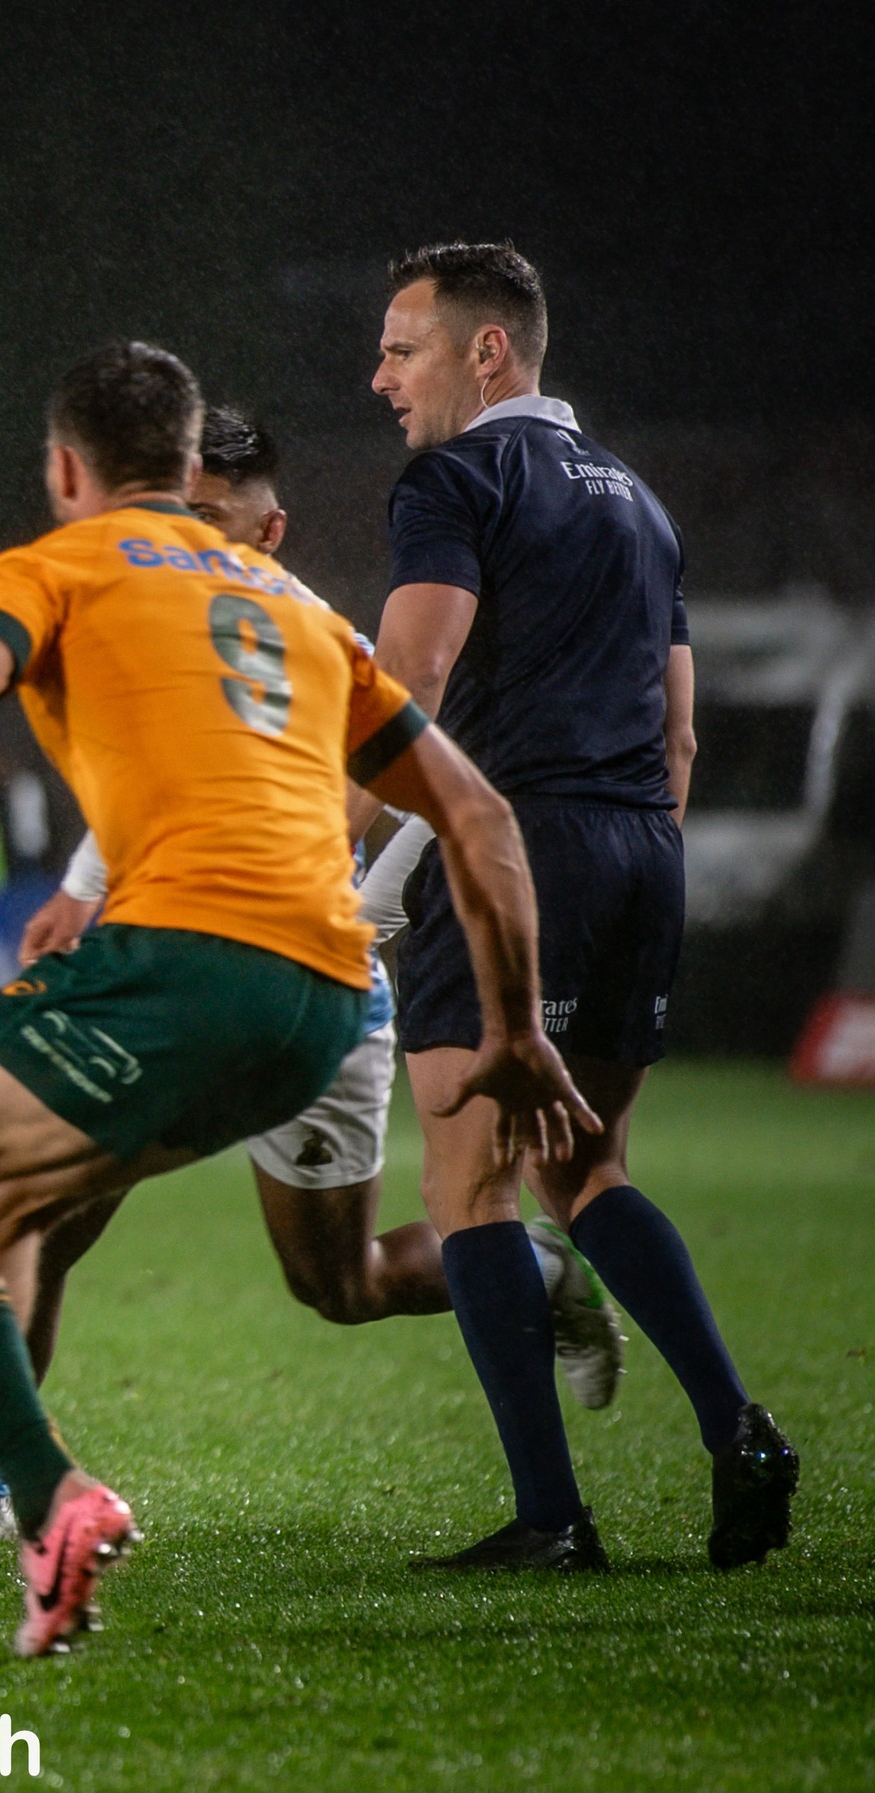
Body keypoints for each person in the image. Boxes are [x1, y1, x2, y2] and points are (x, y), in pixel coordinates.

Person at [0, 342, 595, 1655]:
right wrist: (515, 1030)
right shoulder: (300, 612)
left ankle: (28, 1504)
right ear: (184, 467)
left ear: (63, 469)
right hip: (332, 996)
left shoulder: (52, 568)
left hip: (182, 963)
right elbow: (482, 818)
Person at [0, 408, 622, 1547]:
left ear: (268, 526)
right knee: (39, 1197)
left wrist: (369, 900)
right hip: (168, 968)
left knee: (336, 1284)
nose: (176, 536)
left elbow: (436, 792)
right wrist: (85, 884)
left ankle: (531, 1272)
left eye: (203, 517)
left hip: (311, 982)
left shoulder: (316, 642)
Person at [368, 242, 796, 1571]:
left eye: (402, 348)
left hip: (526, 850)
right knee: (586, 1162)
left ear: (486, 353)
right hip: (639, 852)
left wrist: (364, 867)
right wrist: (630, 869)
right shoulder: (643, 507)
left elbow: (405, 684)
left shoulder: (456, 477)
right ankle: (740, 1430)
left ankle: (552, 1517)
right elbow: (678, 740)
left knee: (467, 1182)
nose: (379, 377)